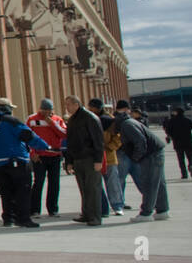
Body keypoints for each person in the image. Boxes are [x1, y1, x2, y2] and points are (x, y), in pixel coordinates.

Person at [0, 97, 50, 228]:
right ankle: (23, 218)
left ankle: (8, 218)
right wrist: (45, 146)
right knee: (22, 190)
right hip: (16, 159)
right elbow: (28, 135)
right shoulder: (10, 121)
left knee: (5, 191)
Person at [115, 107, 170, 222]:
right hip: (155, 152)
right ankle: (162, 210)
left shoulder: (127, 125)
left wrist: (136, 158)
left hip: (150, 155)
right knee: (159, 183)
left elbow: (140, 141)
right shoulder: (130, 122)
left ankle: (146, 213)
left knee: (149, 183)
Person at [61, 96, 104, 227]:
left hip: (90, 158)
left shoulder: (90, 118)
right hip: (78, 158)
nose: (67, 108)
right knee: (84, 189)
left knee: (93, 188)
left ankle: (95, 217)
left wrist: (98, 159)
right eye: (66, 105)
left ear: (76, 104)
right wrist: (69, 161)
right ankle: (86, 214)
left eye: (69, 105)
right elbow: (70, 142)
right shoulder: (72, 119)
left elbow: (98, 140)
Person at [27, 99, 68, 217]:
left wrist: (51, 123)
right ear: (41, 109)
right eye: (45, 110)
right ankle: (34, 210)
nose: (47, 113)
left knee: (54, 183)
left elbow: (64, 134)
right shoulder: (32, 119)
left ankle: (53, 209)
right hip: (40, 156)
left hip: (55, 155)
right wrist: (32, 153)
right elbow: (27, 137)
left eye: (50, 110)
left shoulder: (57, 119)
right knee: (38, 182)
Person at [89, 98, 125, 216]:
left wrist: (108, 147)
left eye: (92, 107)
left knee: (113, 182)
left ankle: (117, 205)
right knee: (96, 183)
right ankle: (102, 208)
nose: (91, 109)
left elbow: (118, 137)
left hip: (108, 156)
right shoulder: (89, 119)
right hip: (94, 157)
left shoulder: (109, 120)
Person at [164, 107, 192, 180]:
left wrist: (170, 137)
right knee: (190, 157)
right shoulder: (188, 120)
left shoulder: (172, 121)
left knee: (181, 159)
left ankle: (184, 174)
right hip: (188, 142)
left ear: (176, 112)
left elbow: (168, 131)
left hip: (177, 143)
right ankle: (191, 166)